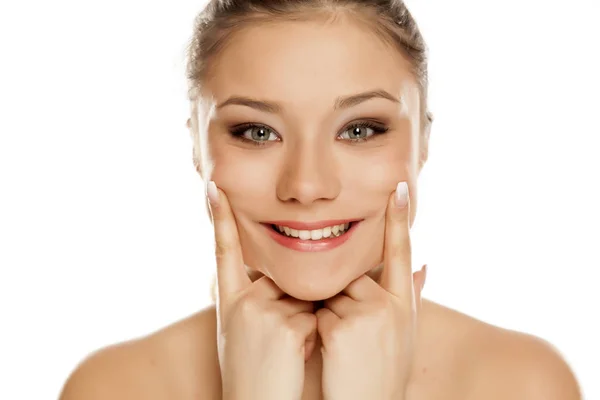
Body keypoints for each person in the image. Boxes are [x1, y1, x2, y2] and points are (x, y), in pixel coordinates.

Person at [59, 1, 582, 399]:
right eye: (257, 132)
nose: (307, 186)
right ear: (197, 147)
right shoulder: (113, 387)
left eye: (359, 129)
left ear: (423, 142)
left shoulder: (523, 383)